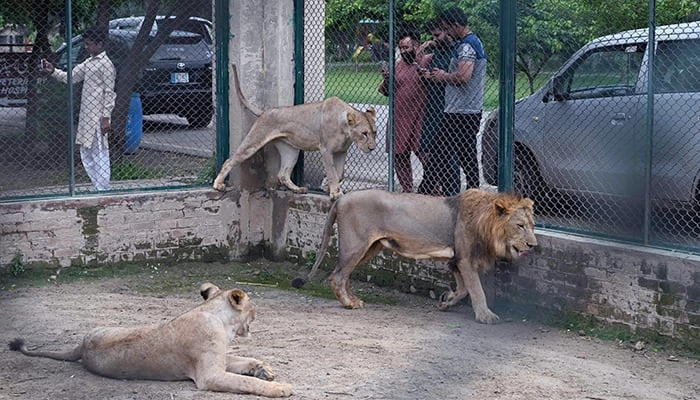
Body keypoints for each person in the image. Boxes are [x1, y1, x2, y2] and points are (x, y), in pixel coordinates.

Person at [421, 7, 486, 196]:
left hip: (461, 113)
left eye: (447, 28)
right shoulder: (473, 43)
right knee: (462, 157)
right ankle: (472, 194)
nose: (447, 33)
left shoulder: (467, 46)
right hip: (464, 111)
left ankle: (422, 194)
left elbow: (464, 76)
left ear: (456, 25)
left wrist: (442, 76)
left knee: (439, 156)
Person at [42, 26, 116, 191]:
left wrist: (106, 118)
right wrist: (53, 71)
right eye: (86, 44)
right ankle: (99, 186)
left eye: (89, 44)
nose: (86, 47)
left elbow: (110, 93)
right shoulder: (89, 63)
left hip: (98, 117)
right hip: (86, 115)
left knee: (100, 152)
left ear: (100, 44)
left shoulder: (106, 65)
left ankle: (103, 189)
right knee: (86, 151)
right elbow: (71, 77)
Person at [378, 30, 430, 193]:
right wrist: (387, 79)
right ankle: (407, 189)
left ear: (415, 45)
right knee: (399, 155)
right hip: (399, 118)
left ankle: (434, 188)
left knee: (426, 155)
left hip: (420, 116)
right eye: (401, 47)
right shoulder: (397, 66)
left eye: (407, 47)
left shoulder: (426, 61)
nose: (403, 51)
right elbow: (386, 91)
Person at [416, 19, 459, 196]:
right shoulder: (436, 53)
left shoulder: (456, 52)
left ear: (447, 32)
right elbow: (418, 62)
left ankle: (451, 193)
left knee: (449, 156)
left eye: (437, 35)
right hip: (433, 107)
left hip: (448, 108)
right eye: (432, 35)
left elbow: (458, 78)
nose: (434, 39)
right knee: (430, 151)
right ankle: (432, 190)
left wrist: (440, 77)